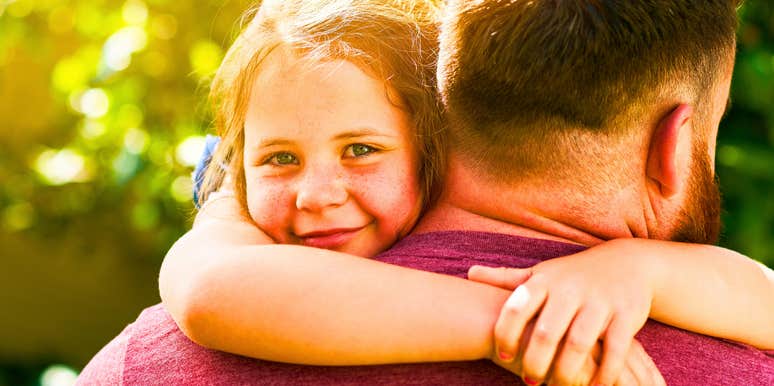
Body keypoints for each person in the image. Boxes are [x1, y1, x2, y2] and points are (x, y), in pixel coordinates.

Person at [78, 0, 774, 385]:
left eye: (361, 150)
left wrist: (642, 271)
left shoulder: (136, 365)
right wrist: (526, 325)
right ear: (676, 146)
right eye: (279, 159)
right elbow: (213, 288)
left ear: (435, 138)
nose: (318, 194)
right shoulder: (230, 241)